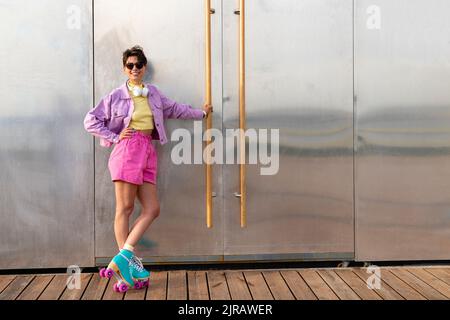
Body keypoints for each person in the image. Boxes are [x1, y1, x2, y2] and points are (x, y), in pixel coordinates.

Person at [84, 45, 212, 292]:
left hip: (148, 151)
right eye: (130, 65)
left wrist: (202, 114)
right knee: (126, 208)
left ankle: (124, 257)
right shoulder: (115, 96)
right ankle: (127, 270)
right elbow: (90, 120)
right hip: (127, 150)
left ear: (144, 69)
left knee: (152, 208)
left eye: (138, 65)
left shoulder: (153, 94)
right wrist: (114, 135)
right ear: (125, 68)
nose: (134, 69)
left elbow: (176, 109)